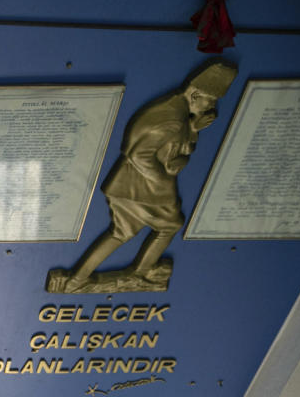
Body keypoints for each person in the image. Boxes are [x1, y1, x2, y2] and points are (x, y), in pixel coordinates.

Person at [51, 61, 236, 294]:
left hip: (130, 188)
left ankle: (78, 280)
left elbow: (176, 150)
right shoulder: (173, 121)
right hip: (137, 189)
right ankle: (139, 273)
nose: (211, 107)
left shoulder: (174, 110)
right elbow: (140, 156)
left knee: (123, 233)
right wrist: (163, 186)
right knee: (166, 226)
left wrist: (193, 129)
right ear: (196, 94)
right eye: (210, 101)